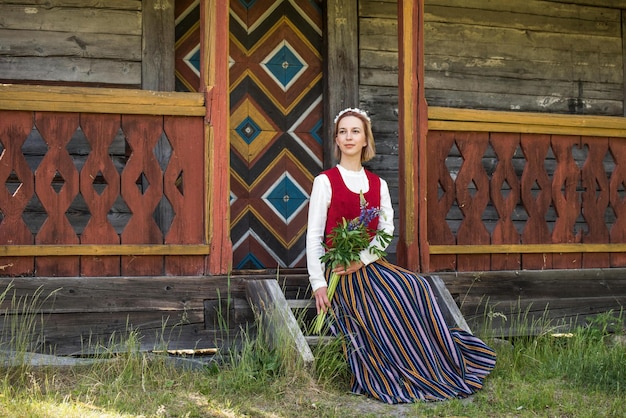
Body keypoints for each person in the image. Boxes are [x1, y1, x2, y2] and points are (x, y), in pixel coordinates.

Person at [306, 108, 496, 404]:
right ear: (336, 139)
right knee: (384, 304)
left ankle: (435, 364)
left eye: (355, 131)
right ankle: (399, 367)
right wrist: (319, 282)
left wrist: (363, 260)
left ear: (366, 138)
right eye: (343, 131)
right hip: (340, 271)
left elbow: (385, 232)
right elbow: (314, 235)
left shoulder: (378, 185)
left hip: (369, 264)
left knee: (417, 287)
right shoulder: (325, 181)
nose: (348, 137)